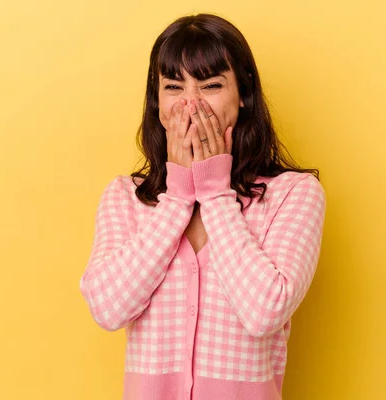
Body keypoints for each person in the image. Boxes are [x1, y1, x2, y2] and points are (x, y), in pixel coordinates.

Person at [79, 13, 326, 400]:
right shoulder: (125, 197)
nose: (191, 104)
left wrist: (213, 190)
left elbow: (264, 312)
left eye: (211, 85)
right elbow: (108, 309)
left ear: (243, 95)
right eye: (174, 87)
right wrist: (177, 197)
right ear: (157, 104)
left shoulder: (295, 194)